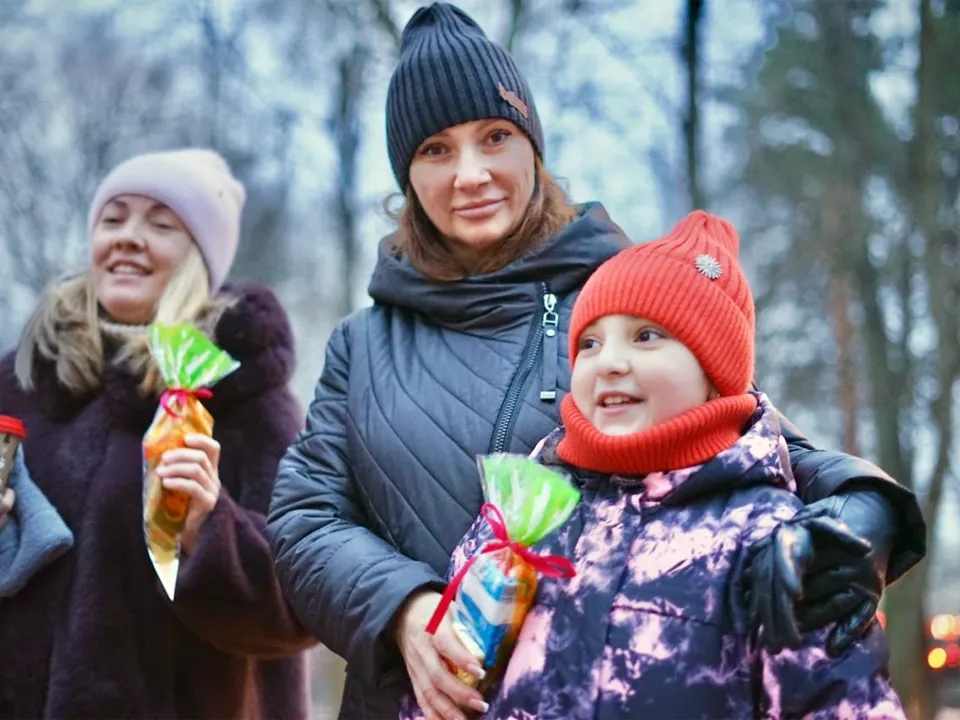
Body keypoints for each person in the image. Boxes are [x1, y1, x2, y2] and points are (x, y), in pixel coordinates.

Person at [266, 4, 925, 719]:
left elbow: (756, 436)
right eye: (436, 150)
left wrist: (869, 515)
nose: (472, 173)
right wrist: (401, 609)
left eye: (496, 137)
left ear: (533, 149)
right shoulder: (364, 345)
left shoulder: (620, 303)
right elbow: (305, 517)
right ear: (406, 174)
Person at [399, 211, 907, 719]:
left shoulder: (772, 540)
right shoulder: (527, 513)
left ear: (714, 372)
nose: (609, 362)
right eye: (590, 343)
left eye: (645, 337)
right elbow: (446, 683)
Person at [0, 149, 314, 720]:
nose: (128, 237)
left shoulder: (247, 398)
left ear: (199, 256)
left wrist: (207, 526)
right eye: (113, 218)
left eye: (161, 224)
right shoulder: (23, 378)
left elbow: (304, 600)